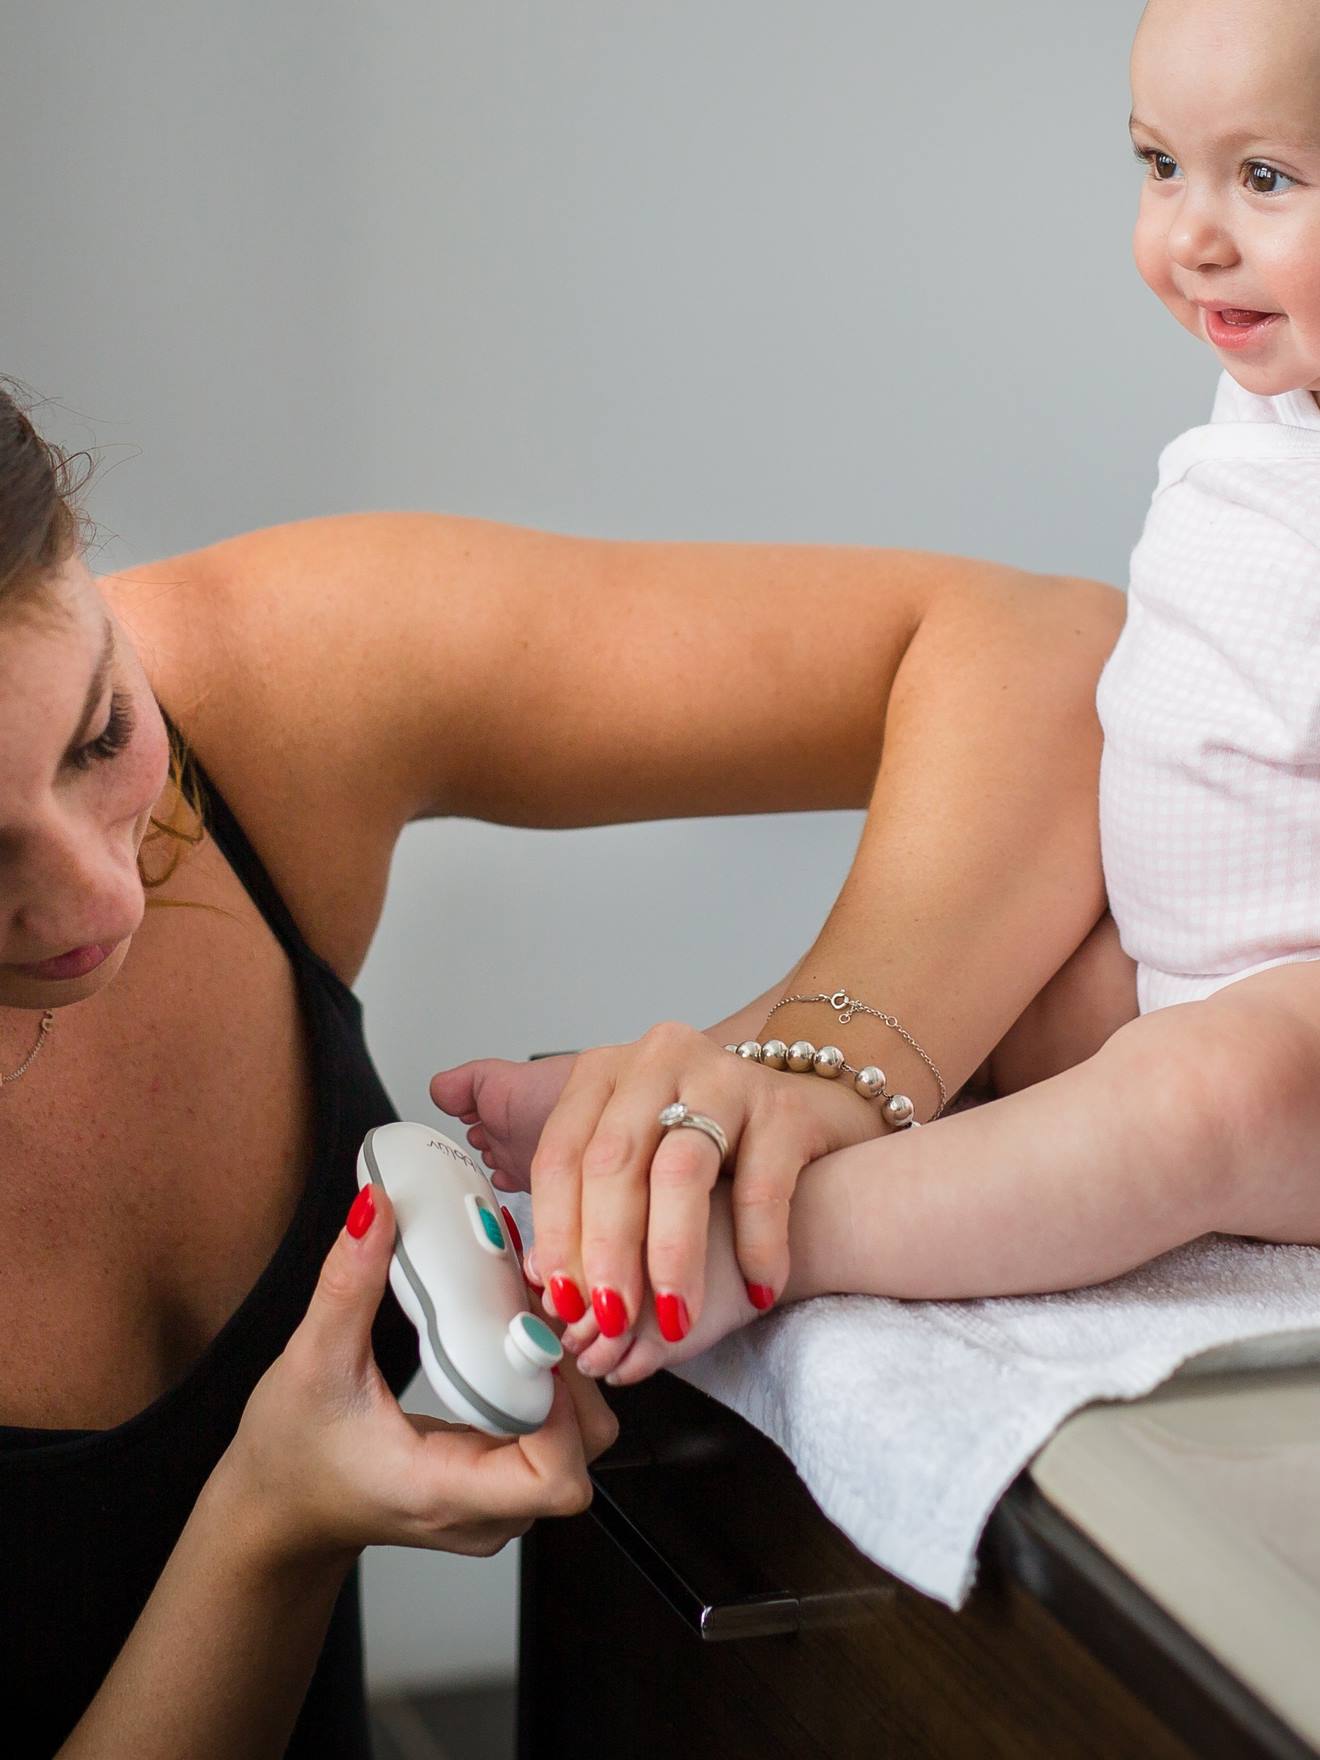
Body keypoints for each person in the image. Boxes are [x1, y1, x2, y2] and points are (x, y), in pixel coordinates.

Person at [0, 380, 1119, 1757]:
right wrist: (266, 1530)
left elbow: (1046, 644)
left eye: (100, 737)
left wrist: (819, 1061)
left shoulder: (241, 684)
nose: (101, 905)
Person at [434, 0, 1320, 1390]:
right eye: (1160, 166)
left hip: (1291, 1035)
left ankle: (780, 1235)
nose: (1191, 235)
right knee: (1013, 988)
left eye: (1264, 179)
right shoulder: (1272, 400)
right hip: (1181, 962)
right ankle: (715, 1088)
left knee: (1208, 1095)